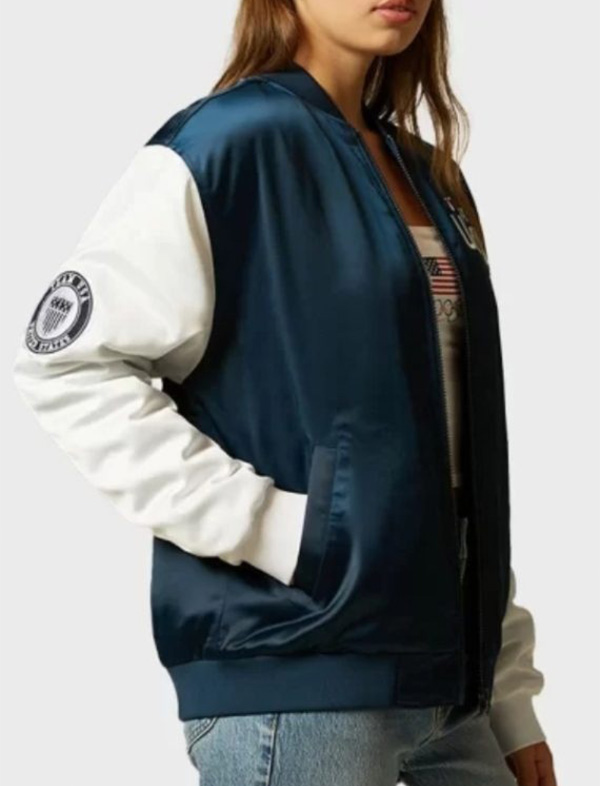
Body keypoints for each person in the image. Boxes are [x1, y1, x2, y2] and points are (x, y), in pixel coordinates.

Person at [12, 1, 557, 784]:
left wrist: (509, 694)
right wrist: (279, 530)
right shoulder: (229, 143)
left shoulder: (429, 173)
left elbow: (458, 458)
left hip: (453, 685)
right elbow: (67, 366)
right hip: (296, 680)